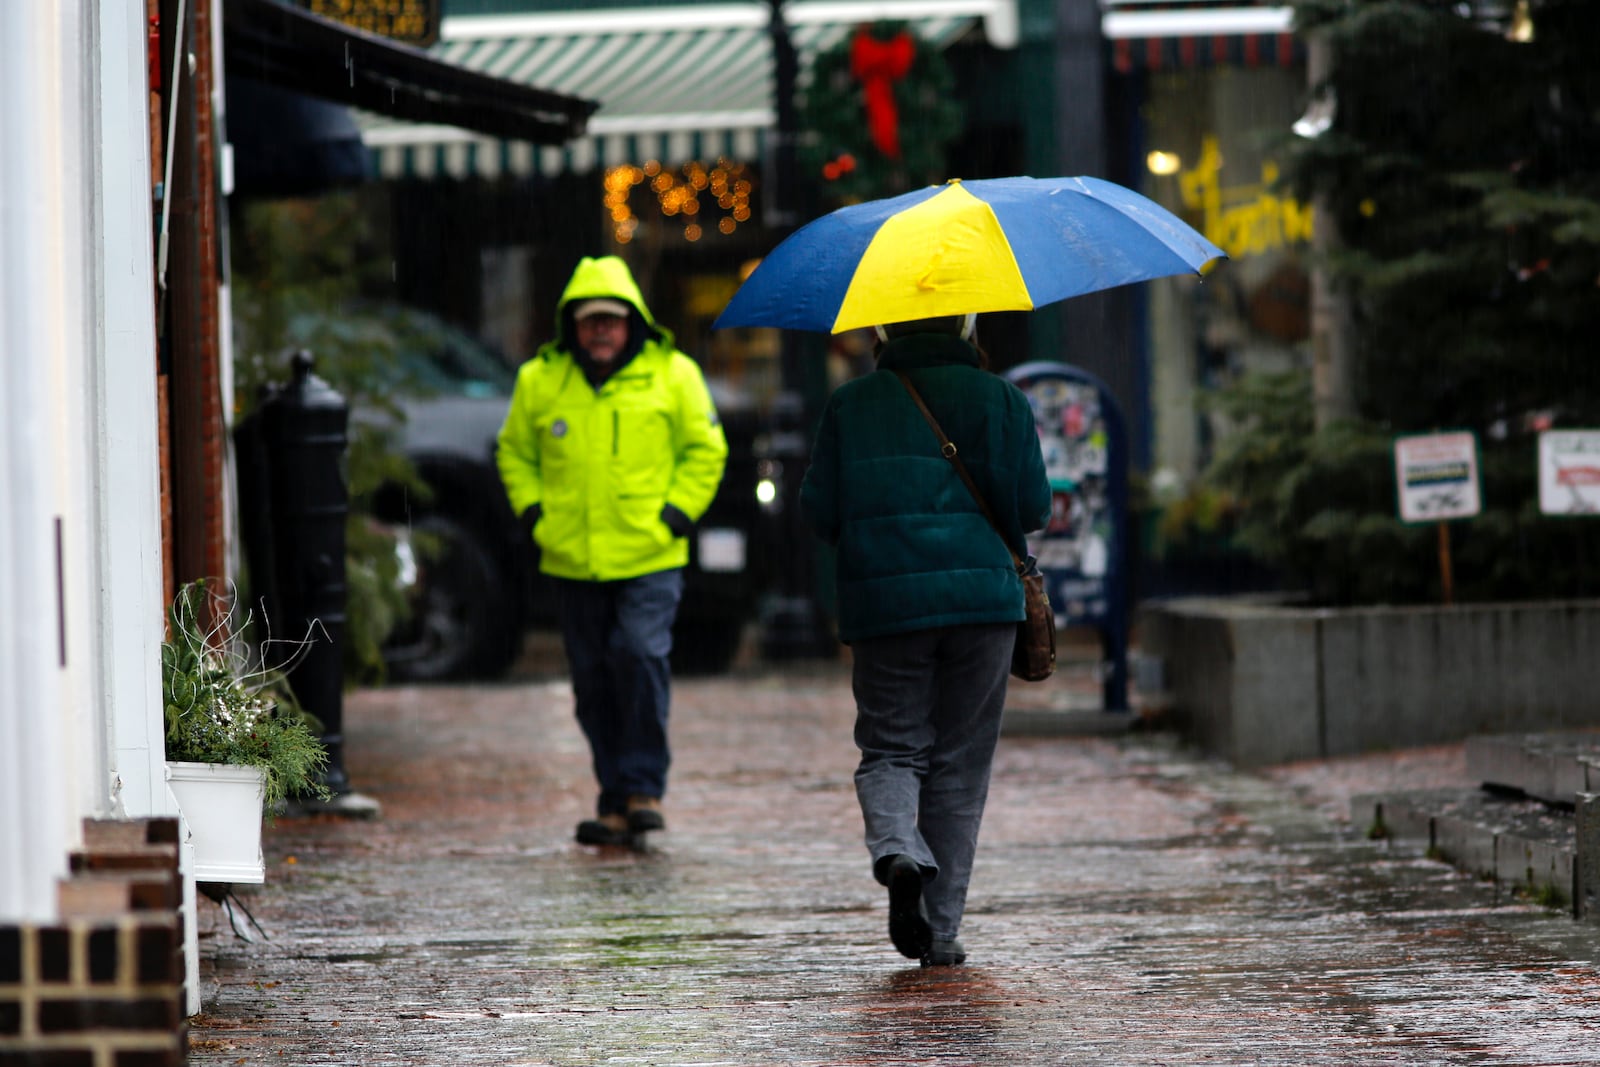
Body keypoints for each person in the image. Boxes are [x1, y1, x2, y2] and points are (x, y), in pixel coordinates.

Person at [799, 314, 1051, 966]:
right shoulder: (1003, 399)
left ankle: (898, 850)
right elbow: (1033, 509)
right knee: (960, 767)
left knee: (892, 748)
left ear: (882, 330)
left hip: (886, 606)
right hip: (983, 607)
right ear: (967, 326)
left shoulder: (850, 404)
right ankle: (939, 933)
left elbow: (818, 511)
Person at [497, 256, 728, 846]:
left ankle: (643, 787)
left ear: (634, 323)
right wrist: (535, 514)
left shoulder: (674, 374)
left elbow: (706, 450)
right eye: (589, 320)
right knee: (592, 682)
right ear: (570, 324)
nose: (601, 330)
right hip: (573, 558)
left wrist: (675, 515)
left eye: (612, 320)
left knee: (640, 656)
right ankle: (615, 798)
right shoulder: (538, 381)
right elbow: (514, 453)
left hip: (650, 555)